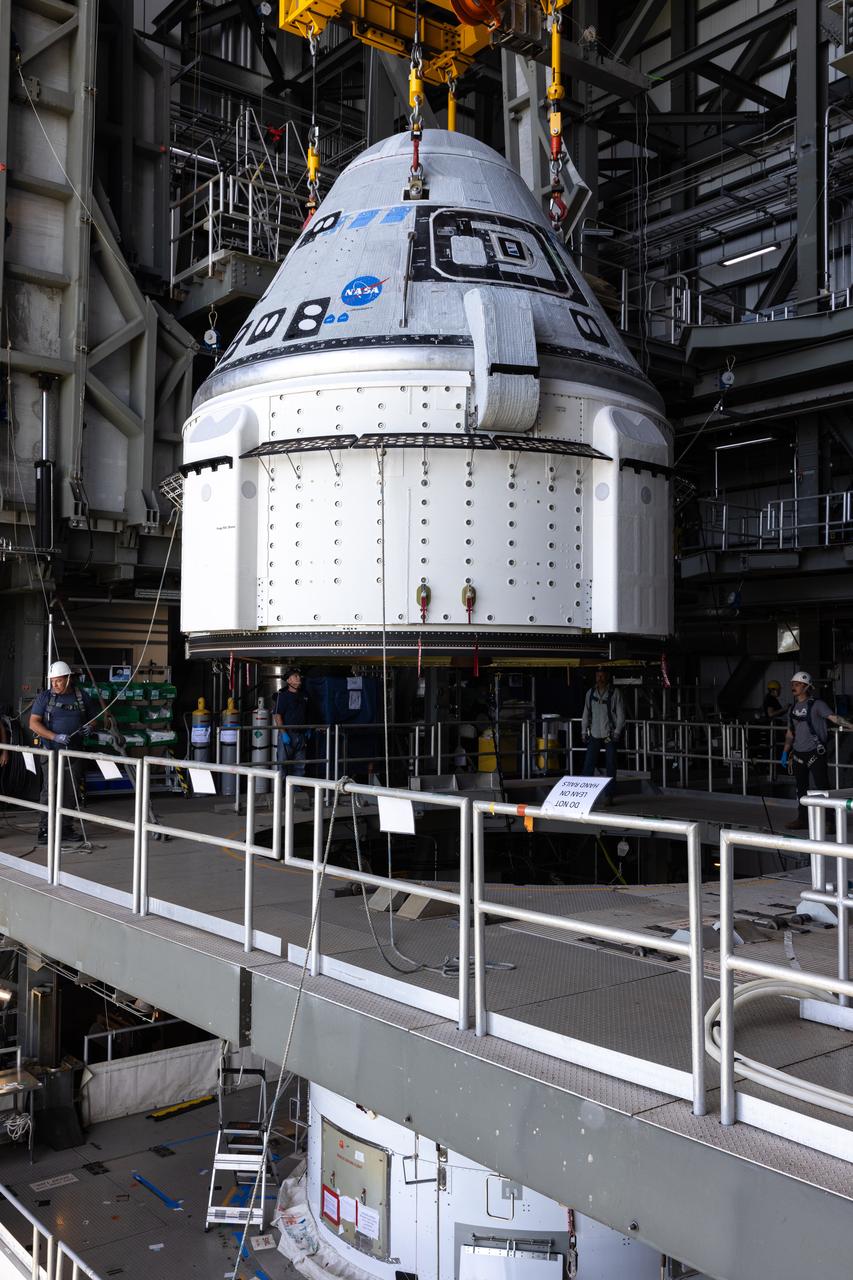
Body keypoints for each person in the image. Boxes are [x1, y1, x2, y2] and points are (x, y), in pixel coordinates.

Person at [29, 661, 99, 845]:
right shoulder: (45, 697)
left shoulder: (81, 696)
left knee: (70, 791)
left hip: (74, 752)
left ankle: (65, 828)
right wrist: (54, 736)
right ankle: (45, 829)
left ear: (68, 679)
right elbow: (33, 723)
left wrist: (90, 727)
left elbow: (94, 719)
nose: (55, 684)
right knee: (49, 790)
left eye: (58, 681)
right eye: (52, 681)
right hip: (51, 751)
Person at [781, 671, 853, 829]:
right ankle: (802, 819)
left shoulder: (817, 705)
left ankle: (830, 821)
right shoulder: (792, 709)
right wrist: (785, 752)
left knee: (822, 787)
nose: (793, 687)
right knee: (801, 788)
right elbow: (790, 733)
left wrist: (850, 726)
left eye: (798, 684)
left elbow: (833, 718)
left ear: (807, 687)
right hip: (798, 754)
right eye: (793, 684)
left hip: (815, 752)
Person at [581, 667, 625, 794]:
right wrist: (583, 731)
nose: (600, 678)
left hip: (609, 735)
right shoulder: (590, 693)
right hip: (594, 734)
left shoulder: (615, 693)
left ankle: (609, 794)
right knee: (588, 764)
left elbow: (621, 715)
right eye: (598, 676)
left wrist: (617, 732)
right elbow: (586, 713)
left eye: (602, 676)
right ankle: (584, 793)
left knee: (611, 764)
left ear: (607, 677)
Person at [274, 668, 309, 786]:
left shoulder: (304, 696)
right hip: (288, 734)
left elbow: (307, 713)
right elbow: (277, 715)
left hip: (301, 734)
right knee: (283, 764)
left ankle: (296, 789)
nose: (299, 678)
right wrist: (283, 733)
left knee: (300, 765)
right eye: (295, 676)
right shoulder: (283, 696)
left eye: (299, 676)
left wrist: (308, 729)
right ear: (289, 681)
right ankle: (281, 790)